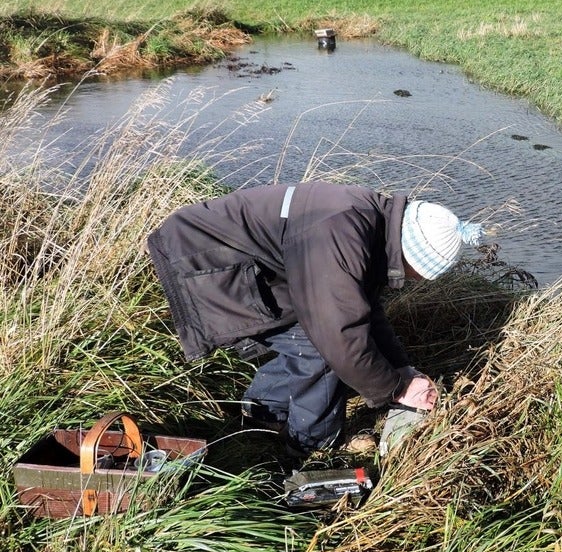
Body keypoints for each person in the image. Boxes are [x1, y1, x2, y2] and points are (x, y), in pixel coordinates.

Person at [147, 182, 484, 457]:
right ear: (411, 256)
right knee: (319, 348)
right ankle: (311, 447)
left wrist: (403, 369)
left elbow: (362, 310)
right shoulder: (340, 235)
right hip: (201, 258)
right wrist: (397, 390)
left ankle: (261, 416)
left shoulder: (372, 223)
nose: (410, 282)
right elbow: (339, 336)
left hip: (229, 256)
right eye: (416, 276)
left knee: (309, 336)